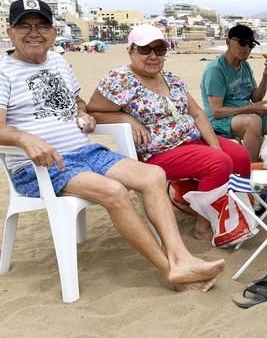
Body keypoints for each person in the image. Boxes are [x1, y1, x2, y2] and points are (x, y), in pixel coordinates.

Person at [0, 0, 225, 292]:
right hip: (40, 167)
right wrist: (23, 138)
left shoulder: (58, 61)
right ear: (9, 31)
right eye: (24, 26)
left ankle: (182, 258)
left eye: (41, 25)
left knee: (153, 175)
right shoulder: (4, 71)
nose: (34, 32)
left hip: (85, 153)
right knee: (114, 191)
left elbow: (78, 101)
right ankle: (169, 270)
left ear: (53, 32)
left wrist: (82, 112)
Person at [86, 25, 251, 240]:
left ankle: (234, 212)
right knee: (218, 162)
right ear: (131, 51)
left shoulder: (171, 78)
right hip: (158, 152)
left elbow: (198, 114)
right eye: (145, 50)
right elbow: (94, 112)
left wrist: (216, 145)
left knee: (239, 155)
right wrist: (125, 118)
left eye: (159, 50)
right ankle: (206, 224)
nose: (153, 56)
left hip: (191, 141)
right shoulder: (120, 79)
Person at [200, 24, 267, 161]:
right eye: (242, 43)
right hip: (220, 121)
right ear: (228, 42)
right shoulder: (216, 70)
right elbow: (216, 111)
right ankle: (249, 168)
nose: (247, 48)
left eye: (251, 45)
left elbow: (256, 98)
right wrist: (252, 108)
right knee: (253, 121)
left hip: (246, 114)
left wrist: (266, 75)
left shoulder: (244, 65)